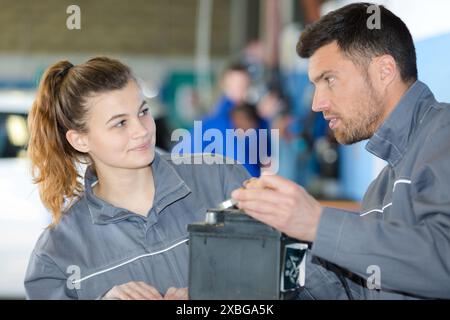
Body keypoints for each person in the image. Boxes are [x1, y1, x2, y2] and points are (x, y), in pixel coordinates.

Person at [232, 3, 450, 299]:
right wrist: (257, 277)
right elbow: (359, 288)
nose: (317, 103)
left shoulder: (444, 133)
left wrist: (316, 223)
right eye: (315, 85)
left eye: (329, 80)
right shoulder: (380, 189)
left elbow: (442, 260)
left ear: (384, 71)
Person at [24, 57, 250, 300]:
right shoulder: (58, 255)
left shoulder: (219, 179)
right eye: (120, 123)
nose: (142, 130)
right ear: (80, 139)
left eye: (143, 112)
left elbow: (283, 279)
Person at [190, 63, 269, 177]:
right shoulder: (222, 119)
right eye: (237, 86)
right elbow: (242, 164)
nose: (242, 91)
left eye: (245, 86)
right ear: (225, 85)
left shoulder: (249, 114)